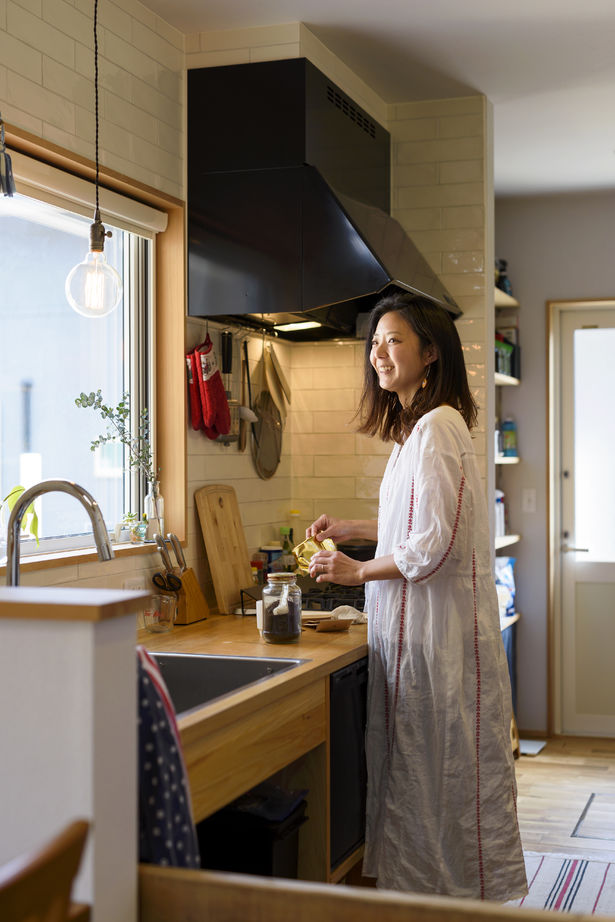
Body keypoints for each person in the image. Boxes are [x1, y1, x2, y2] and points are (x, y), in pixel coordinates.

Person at [306, 292, 528, 902]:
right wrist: (354, 530)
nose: (380, 352)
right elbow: (416, 524)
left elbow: (435, 547)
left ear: (430, 352)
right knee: (424, 776)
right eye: (375, 341)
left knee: (439, 776)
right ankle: (428, 897)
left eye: (394, 340)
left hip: (436, 640)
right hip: (418, 639)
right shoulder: (415, 430)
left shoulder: (437, 426)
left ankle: (446, 901)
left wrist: (354, 574)